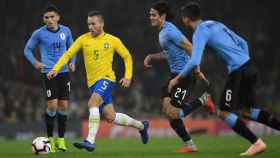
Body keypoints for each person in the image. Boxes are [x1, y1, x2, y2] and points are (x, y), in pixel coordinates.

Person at [173, 1, 280, 156]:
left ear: (186, 18)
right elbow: (243, 42)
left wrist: (177, 79)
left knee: (223, 112)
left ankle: (257, 143)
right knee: (246, 111)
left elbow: (195, 60)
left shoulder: (199, 32)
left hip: (239, 71)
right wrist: (243, 61)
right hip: (250, 67)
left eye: (183, 17)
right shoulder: (215, 23)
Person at [47, 10, 149, 152]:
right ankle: (142, 126)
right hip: (92, 83)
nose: (90, 27)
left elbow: (127, 56)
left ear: (102, 23)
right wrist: (56, 68)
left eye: (93, 24)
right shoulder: (83, 39)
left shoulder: (113, 40)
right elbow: (68, 53)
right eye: (88, 24)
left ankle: (90, 140)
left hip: (107, 79)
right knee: (110, 117)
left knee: (92, 103)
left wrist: (128, 76)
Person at [144, 1, 215, 153]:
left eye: (153, 15)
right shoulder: (162, 32)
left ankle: (204, 99)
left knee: (174, 113)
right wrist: (152, 56)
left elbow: (190, 46)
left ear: (162, 16)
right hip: (174, 75)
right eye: (150, 14)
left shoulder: (170, 31)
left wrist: (196, 69)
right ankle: (190, 145)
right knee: (167, 111)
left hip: (185, 75)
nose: (150, 17)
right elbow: (170, 53)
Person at [24, 4, 76, 153]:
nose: (49, 20)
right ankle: (50, 140)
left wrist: (73, 62)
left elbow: (72, 48)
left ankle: (61, 140)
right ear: (43, 19)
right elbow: (27, 49)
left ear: (58, 17)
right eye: (46, 17)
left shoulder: (66, 31)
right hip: (48, 72)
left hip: (64, 72)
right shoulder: (39, 33)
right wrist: (35, 63)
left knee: (64, 106)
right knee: (52, 106)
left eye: (52, 17)